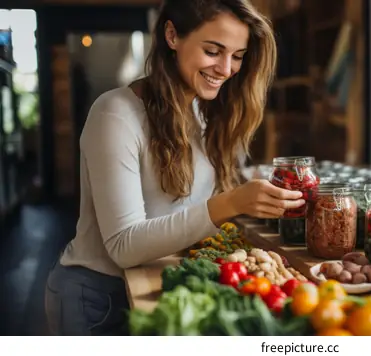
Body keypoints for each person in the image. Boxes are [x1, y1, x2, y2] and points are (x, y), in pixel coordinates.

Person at [44, 0, 304, 336]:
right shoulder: (115, 114)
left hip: (158, 281)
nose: (226, 69)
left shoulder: (200, 112)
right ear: (171, 35)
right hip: (96, 300)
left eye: (238, 56)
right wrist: (233, 202)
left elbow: (184, 209)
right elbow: (125, 247)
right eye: (213, 50)